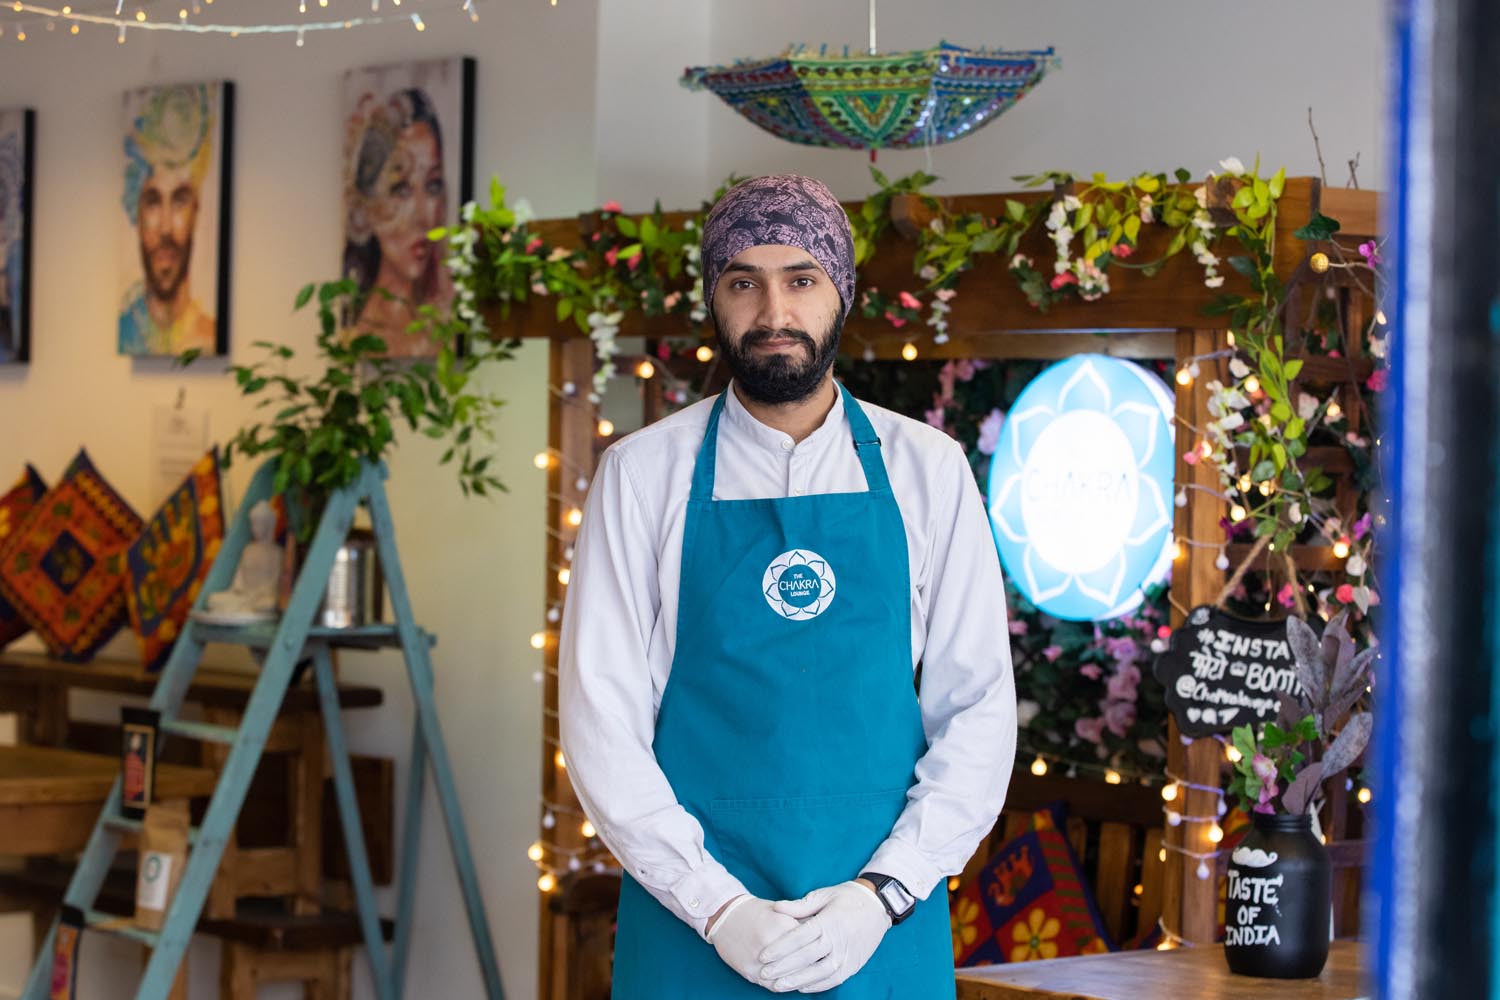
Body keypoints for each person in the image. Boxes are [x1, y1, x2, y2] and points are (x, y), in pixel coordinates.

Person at [560, 174, 1016, 997]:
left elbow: (978, 710)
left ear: (840, 292)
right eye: (744, 282)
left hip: (878, 935)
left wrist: (882, 897)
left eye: (800, 279)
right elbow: (602, 727)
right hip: (691, 931)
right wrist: (718, 910)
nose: (773, 313)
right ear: (715, 301)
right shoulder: (641, 475)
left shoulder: (929, 471)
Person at [342, 87, 452, 358]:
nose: (423, 216)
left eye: (433, 185)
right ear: (366, 206)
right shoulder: (360, 336)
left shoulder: (444, 330)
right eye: (401, 189)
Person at [118, 84, 218, 357]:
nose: (165, 227)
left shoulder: (209, 336)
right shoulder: (125, 331)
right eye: (152, 202)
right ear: (136, 213)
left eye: (179, 201)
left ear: (196, 212)